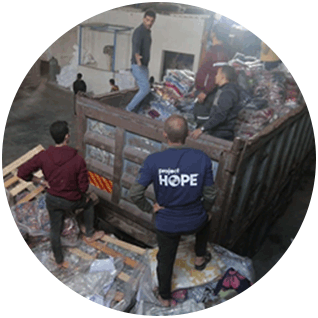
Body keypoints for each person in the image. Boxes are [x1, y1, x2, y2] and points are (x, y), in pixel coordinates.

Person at [130, 115, 217, 307]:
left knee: (165, 259)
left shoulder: (154, 160)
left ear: (164, 135)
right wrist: (205, 210)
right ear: (187, 134)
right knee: (207, 218)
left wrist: (150, 208)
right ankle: (200, 258)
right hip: (195, 221)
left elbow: (135, 194)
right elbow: (210, 194)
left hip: (167, 223)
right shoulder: (202, 158)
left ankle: (164, 297)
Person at [18, 121, 104, 267]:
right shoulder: (77, 160)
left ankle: (58, 260)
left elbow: (22, 172)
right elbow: (83, 188)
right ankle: (89, 234)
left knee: (55, 228)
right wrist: (79, 192)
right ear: (67, 136)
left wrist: (39, 181)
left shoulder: (43, 156)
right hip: (72, 200)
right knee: (89, 202)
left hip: (52, 200)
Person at [191, 65, 240, 141]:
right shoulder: (223, 90)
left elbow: (220, 115)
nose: (215, 77)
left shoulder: (227, 93)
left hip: (221, 134)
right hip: (218, 131)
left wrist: (202, 129)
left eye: (217, 74)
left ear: (223, 77)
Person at [125, 10, 156, 112]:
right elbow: (136, 45)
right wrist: (138, 59)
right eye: (147, 20)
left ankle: (137, 110)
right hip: (137, 65)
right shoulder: (139, 31)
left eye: (151, 21)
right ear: (143, 19)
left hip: (144, 66)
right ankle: (128, 109)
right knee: (145, 88)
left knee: (145, 90)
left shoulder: (148, 32)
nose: (149, 23)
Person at [194, 23, 231, 103]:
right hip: (203, 91)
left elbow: (217, 74)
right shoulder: (215, 50)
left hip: (207, 95)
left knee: (202, 115)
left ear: (214, 33)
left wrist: (205, 92)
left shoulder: (218, 52)